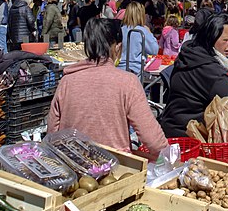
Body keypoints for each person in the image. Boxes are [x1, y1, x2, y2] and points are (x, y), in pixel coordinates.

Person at [48, 18, 168, 158]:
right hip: (114, 169)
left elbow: (52, 133)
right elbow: (152, 139)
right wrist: (169, 154)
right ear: (117, 47)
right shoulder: (127, 82)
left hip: (72, 163)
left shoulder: (67, 81)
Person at [118, 2, 159, 78]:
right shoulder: (141, 31)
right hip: (136, 70)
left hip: (120, 68)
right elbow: (154, 50)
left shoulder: (120, 30)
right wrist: (149, 32)